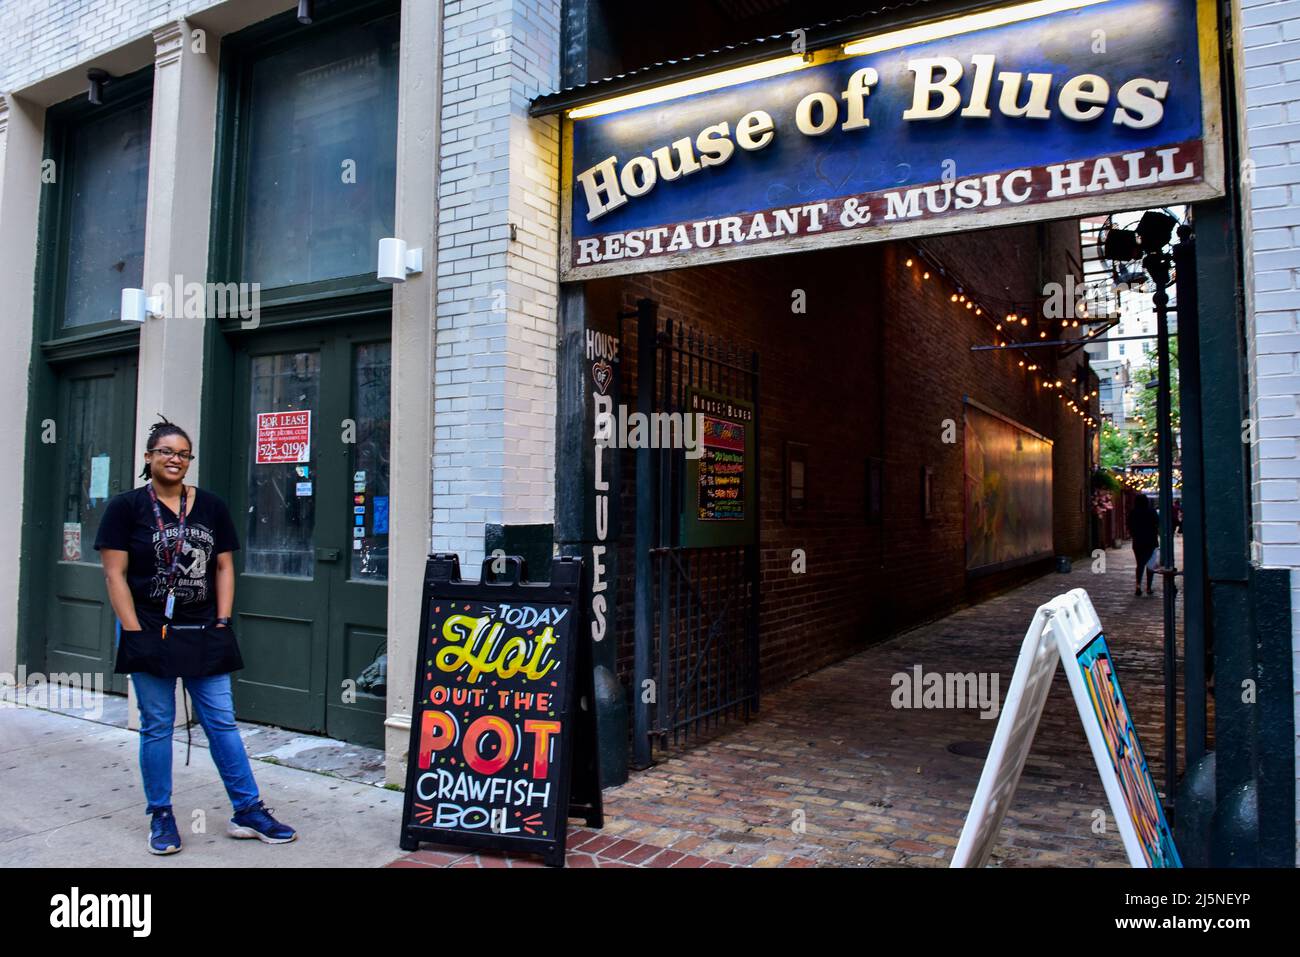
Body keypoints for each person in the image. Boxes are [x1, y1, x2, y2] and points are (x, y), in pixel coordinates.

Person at [95, 418, 297, 855]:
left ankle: (248, 810)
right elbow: (115, 575)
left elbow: (223, 566)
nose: (175, 460)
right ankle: (161, 814)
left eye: (184, 454)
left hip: (205, 628)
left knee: (221, 722)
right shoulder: (125, 508)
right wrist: (133, 631)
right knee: (157, 725)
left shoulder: (210, 506)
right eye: (166, 451)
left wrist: (223, 620)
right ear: (148, 457)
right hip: (148, 625)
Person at [1128, 494, 1159, 597]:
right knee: (1150, 565)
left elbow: (1129, 525)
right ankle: (1149, 587)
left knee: (1140, 564)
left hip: (1138, 542)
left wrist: (1134, 534)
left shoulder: (1133, 512)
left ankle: (1138, 586)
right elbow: (1157, 523)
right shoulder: (1151, 512)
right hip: (1151, 541)